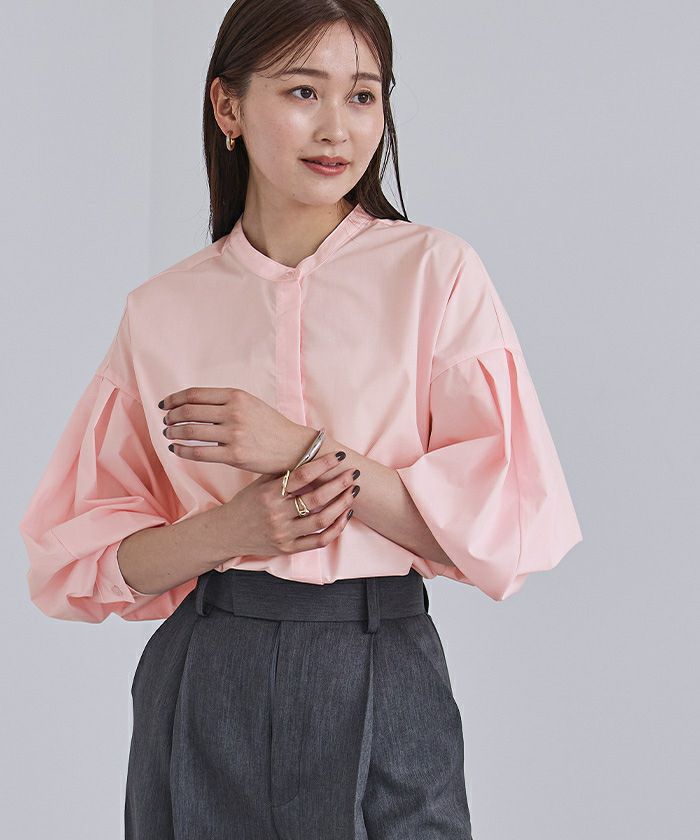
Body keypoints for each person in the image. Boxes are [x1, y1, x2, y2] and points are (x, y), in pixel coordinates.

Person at [18, 1, 583, 838]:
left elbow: (501, 531)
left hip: (379, 658)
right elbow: (71, 563)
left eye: (363, 95)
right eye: (302, 91)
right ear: (228, 106)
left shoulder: (435, 275)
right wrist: (231, 529)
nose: (337, 129)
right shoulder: (162, 310)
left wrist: (306, 451)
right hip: (207, 676)